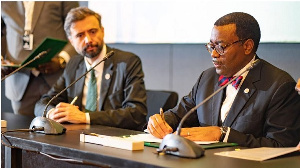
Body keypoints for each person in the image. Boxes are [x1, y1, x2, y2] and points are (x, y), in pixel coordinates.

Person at [147, 12, 300, 147]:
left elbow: (282, 145)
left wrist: (223, 134)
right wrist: (161, 121)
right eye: (211, 46)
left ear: (247, 46)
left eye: (220, 46)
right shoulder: (206, 78)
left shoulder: (279, 85)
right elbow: (179, 115)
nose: (213, 54)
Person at [34, 7, 147, 131]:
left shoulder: (127, 62)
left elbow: (137, 113)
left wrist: (85, 117)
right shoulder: (73, 64)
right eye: (80, 35)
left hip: (115, 138)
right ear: (71, 41)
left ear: (102, 31)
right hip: (78, 138)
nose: (88, 40)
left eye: (93, 32)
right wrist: (52, 113)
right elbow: (42, 104)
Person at [1, 1, 79, 116]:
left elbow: (78, 29)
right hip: (19, 81)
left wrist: (62, 59)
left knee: (57, 128)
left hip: (56, 79)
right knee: (21, 131)